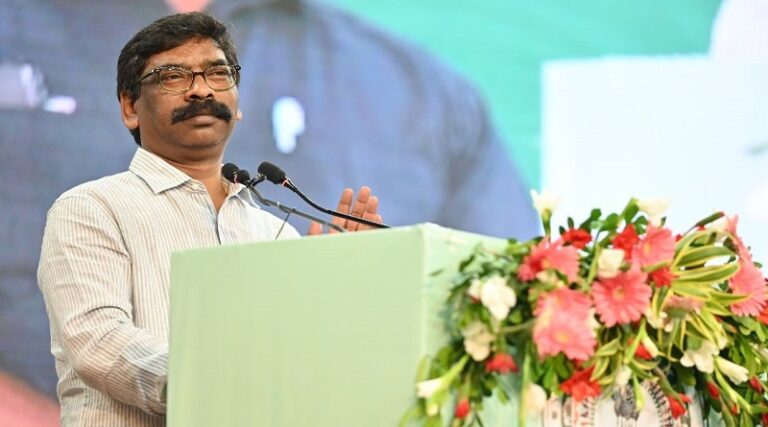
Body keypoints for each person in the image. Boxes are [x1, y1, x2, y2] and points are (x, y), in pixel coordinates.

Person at [37, 12, 381, 426]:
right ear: (130, 107)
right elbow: (99, 342)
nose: (201, 89)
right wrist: (225, 385)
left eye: (218, 74)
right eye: (173, 77)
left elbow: (297, 365)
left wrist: (332, 296)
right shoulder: (91, 208)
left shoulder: (276, 233)